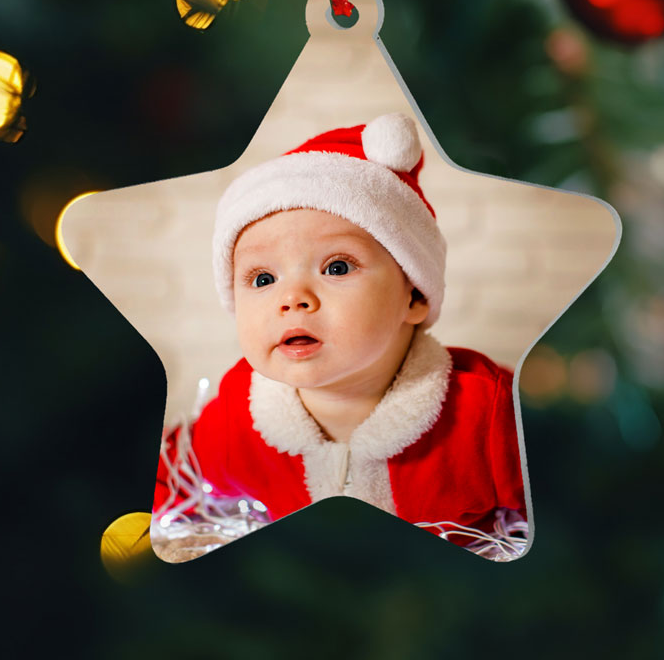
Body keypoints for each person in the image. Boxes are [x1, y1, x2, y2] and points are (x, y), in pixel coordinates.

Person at [153, 113, 526, 542]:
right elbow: (171, 476)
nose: (291, 298)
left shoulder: (486, 412)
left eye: (336, 266)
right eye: (262, 279)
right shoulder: (239, 417)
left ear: (415, 296)